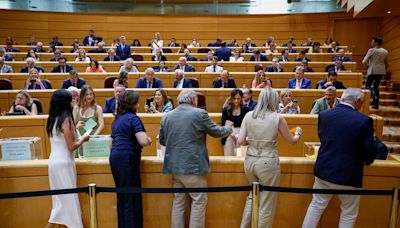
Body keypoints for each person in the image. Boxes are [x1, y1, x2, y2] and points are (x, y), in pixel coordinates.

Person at [302, 88, 377, 228]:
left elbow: (325, 139)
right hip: (349, 175)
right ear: (358, 101)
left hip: (324, 170)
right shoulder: (364, 121)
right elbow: (369, 156)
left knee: (316, 206)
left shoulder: (324, 115)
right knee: (348, 214)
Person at [159, 89, 232, 228]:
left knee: (178, 202)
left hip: (174, 166)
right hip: (193, 166)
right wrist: (228, 128)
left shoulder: (167, 116)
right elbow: (217, 132)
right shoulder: (199, 114)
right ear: (193, 100)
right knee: (199, 200)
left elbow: (162, 140)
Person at [238, 88, 302, 228]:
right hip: (268, 162)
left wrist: (254, 141)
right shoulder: (277, 117)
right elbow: (292, 141)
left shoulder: (249, 115)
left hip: (250, 161)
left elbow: (240, 141)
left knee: (252, 197)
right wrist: (298, 133)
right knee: (267, 202)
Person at [45, 89, 90, 228]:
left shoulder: (53, 118)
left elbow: (62, 138)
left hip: (54, 162)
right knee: (69, 200)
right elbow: (72, 146)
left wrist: (75, 129)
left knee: (59, 202)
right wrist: (83, 138)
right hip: (64, 163)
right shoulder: (66, 119)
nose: (74, 101)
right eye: (71, 99)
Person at [110, 90, 152, 228]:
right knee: (131, 197)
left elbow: (111, 142)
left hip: (115, 157)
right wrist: (149, 140)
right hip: (127, 159)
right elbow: (143, 141)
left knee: (122, 196)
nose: (139, 105)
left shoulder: (117, 119)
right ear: (133, 104)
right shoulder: (133, 118)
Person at [73, 85, 104, 156]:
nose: (89, 97)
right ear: (82, 96)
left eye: (91, 94)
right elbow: (72, 125)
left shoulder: (98, 108)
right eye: (86, 94)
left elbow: (101, 125)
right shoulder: (76, 108)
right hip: (79, 139)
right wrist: (76, 126)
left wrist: (94, 136)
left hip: (92, 139)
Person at [362, 37, 388, 109]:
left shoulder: (371, 50)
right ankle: (375, 104)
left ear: (376, 43)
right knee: (376, 87)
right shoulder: (385, 51)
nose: (371, 43)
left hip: (372, 70)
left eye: (372, 42)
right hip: (381, 71)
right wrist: (384, 70)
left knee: (367, 85)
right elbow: (386, 63)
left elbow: (364, 61)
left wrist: (367, 66)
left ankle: (374, 96)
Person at [221, 89, 249, 156]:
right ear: (231, 99)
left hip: (242, 132)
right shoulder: (226, 109)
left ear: (241, 99)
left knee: (241, 141)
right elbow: (223, 125)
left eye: (238, 99)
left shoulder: (245, 109)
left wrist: (240, 135)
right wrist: (231, 132)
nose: (236, 101)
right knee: (229, 140)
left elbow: (248, 124)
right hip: (229, 132)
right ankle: (228, 162)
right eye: (234, 98)